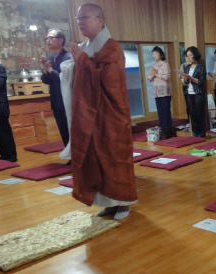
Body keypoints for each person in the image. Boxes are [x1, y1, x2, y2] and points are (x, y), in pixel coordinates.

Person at [68, 3, 136, 220]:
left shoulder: (111, 47)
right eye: (78, 19)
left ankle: (123, 204)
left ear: (99, 20)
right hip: (92, 116)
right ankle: (108, 203)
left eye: (84, 18)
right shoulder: (86, 46)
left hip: (111, 115)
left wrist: (83, 63)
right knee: (97, 159)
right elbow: (83, 71)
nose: (80, 23)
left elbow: (110, 80)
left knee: (115, 158)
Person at [40, 29, 72, 155]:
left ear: (60, 40)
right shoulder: (49, 58)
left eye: (51, 38)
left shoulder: (68, 57)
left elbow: (66, 79)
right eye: (47, 38)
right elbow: (46, 80)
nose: (48, 40)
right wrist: (46, 71)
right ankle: (69, 156)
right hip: (56, 100)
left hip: (67, 98)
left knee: (71, 130)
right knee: (63, 130)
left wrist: (50, 70)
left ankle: (76, 156)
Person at [181, 46, 207, 138]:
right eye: (187, 56)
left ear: (195, 55)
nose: (189, 57)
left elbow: (201, 81)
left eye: (190, 55)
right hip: (189, 93)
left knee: (199, 114)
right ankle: (195, 134)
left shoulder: (201, 67)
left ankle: (201, 134)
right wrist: (185, 78)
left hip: (198, 93)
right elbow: (187, 82)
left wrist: (190, 77)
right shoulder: (187, 67)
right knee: (192, 115)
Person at [146, 46, 172, 130]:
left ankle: (168, 128)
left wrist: (156, 74)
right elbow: (148, 79)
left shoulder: (165, 65)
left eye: (156, 54)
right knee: (160, 112)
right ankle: (163, 128)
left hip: (164, 91)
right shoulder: (153, 66)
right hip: (156, 91)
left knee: (165, 111)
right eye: (153, 54)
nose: (154, 55)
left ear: (161, 55)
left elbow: (166, 77)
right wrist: (153, 74)